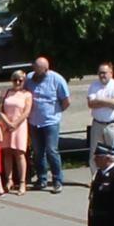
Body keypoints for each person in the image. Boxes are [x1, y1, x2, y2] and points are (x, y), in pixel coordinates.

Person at [28, 54, 70, 190]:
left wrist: (55, 113)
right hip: (34, 122)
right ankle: (42, 178)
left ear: (46, 70)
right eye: (35, 69)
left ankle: (57, 180)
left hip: (51, 122)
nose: (36, 73)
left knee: (52, 150)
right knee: (38, 152)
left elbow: (66, 101)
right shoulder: (29, 78)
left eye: (39, 70)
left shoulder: (57, 79)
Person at [86, 60, 114, 170]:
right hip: (97, 124)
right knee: (95, 154)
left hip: (112, 125)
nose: (102, 75)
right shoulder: (93, 86)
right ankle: (95, 179)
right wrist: (106, 102)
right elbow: (90, 104)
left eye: (105, 72)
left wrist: (99, 100)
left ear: (111, 73)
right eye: (100, 73)